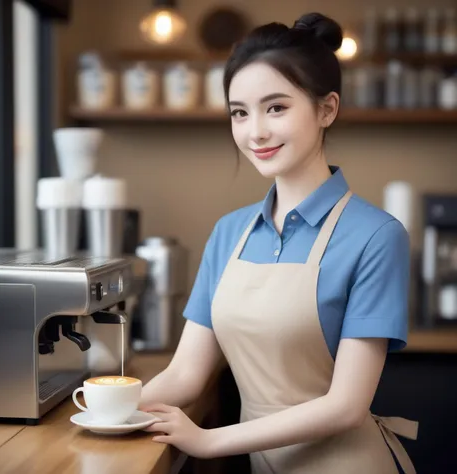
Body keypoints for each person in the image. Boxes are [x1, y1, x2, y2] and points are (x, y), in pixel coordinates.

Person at [140, 11, 419, 474]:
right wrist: (100, 409)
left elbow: (346, 406)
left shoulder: (376, 236)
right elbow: (186, 375)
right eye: (239, 113)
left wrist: (211, 441)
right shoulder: (229, 232)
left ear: (327, 109)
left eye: (276, 107)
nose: (256, 132)